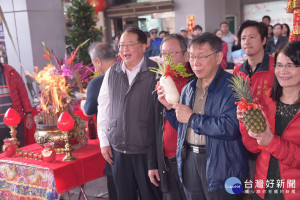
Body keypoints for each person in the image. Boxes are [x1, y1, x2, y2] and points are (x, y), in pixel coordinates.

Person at [157, 32, 248, 200]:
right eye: (191, 57)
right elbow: (183, 126)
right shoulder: (189, 88)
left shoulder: (233, 86)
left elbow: (230, 128)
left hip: (222, 161)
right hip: (190, 160)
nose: (195, 63)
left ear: (219, 56)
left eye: (202, 56)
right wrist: (169, 109)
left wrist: (192, 118)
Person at [97, 27, 161, 200]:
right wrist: (104, 141)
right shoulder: (112, 72)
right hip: (118, 151)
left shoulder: (157, 71)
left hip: (146, 152)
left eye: (129, 45)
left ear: (143, 46)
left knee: (151, 196)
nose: (124, 50)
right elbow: (103, 107)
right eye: (121, 45)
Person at [237, 41, 300, 200]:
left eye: (290, 65)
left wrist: (271, 141)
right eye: (279, 65)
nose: (283, 71)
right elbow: (254, 147)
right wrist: (244, 123)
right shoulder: (265, 100)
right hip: (263, 188)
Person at [148, 34, 193, 200]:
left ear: (186, 55)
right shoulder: (160, 83)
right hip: (168, 161)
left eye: (171, 53)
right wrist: (153, 163)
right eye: (163, 54)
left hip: (192, 161)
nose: (166, 59)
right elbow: (153, 125)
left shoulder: (196, 82)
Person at [234, 20, 275, 182]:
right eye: (243, 38)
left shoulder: (276, 66)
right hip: (247, 137)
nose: (246, 42)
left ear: (264, 40)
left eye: (252, 37)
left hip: (272, 136)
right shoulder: (238, 70)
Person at [81, 42, 118, 200]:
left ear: (98, 61)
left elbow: (89, 110)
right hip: (136, 141)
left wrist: (82, 103)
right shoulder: (127, 73)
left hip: (111, 141)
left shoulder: (96, 83)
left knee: (116, 184)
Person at [0, 63, 34, 150]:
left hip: (16, 124)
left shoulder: (11, 72)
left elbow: (23, 95)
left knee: (19, 152)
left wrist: (29, 115)